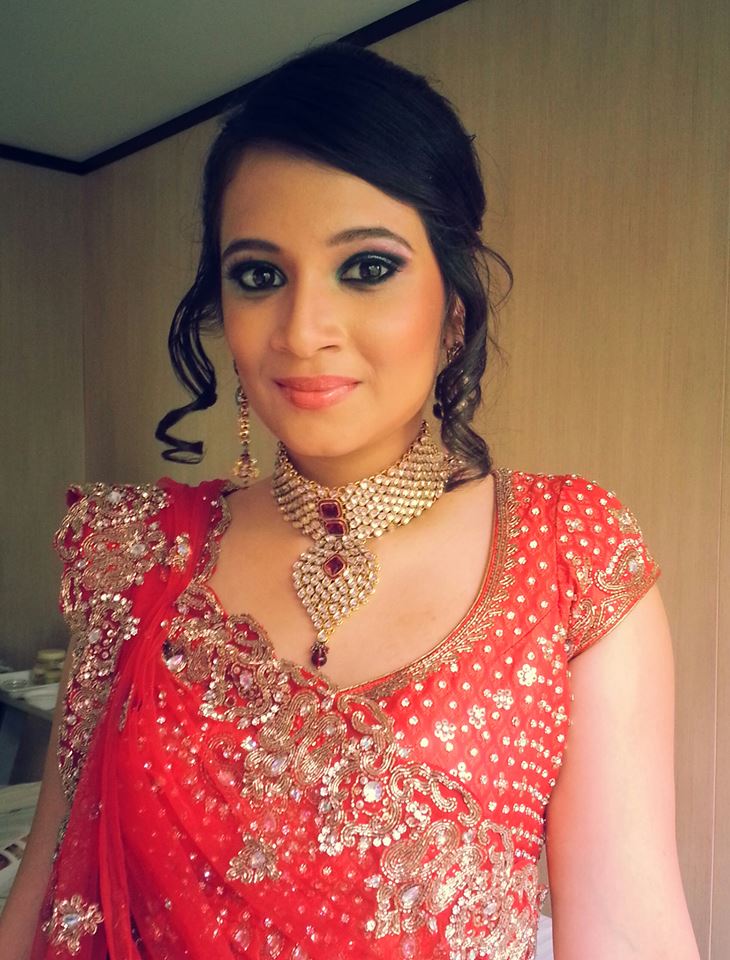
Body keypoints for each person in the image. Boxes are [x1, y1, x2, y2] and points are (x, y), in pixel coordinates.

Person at [0, 41, 699, 960]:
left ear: (454, 304)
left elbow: (630, 933)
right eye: (259, 275)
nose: (302, 331)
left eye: (366, 267)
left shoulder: (568, 555)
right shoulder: (136, 557)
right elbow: (44, 897)